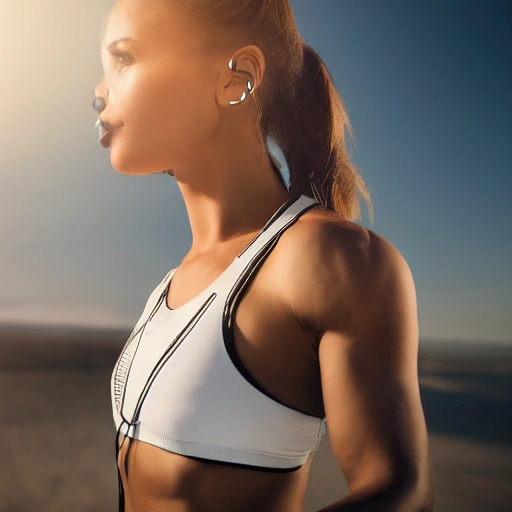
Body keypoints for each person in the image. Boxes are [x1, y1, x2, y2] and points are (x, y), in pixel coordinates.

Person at [92, 0, 434, 511]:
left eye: (123, 59)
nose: (99, 92)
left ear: (237, 77)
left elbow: (402, 492)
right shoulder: (171, 284)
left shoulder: (331, 260)